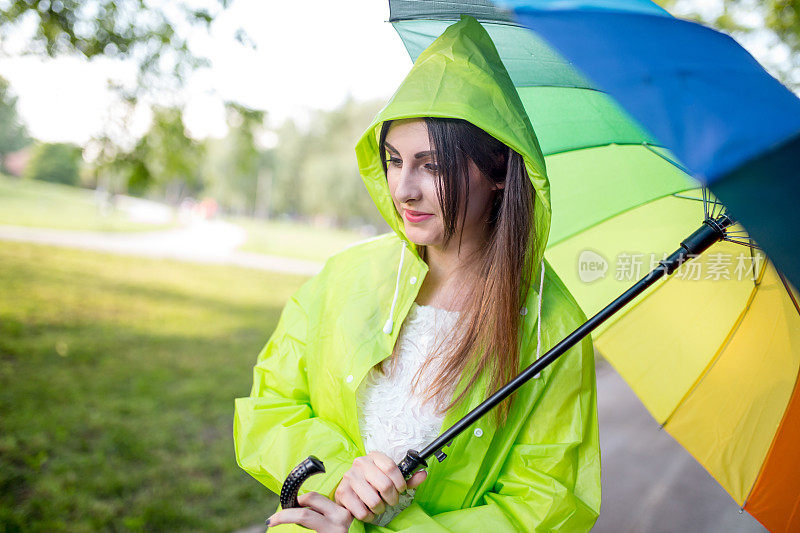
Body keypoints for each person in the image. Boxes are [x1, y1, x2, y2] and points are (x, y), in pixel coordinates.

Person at [233, 14, 601, 532]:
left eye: (432, 165)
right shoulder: (346, 275)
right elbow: (270, 405)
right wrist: (339, 478)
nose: (404, 189)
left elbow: (545, 505)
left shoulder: (552, 329)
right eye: (393, 159)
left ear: (497, 171)